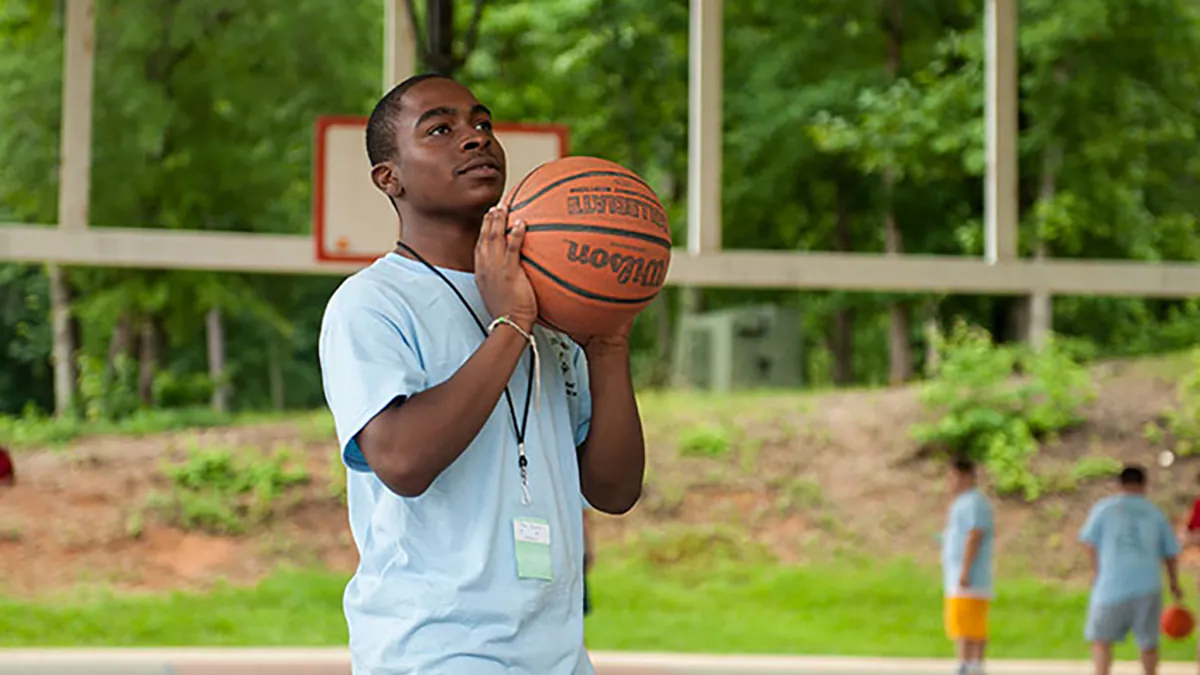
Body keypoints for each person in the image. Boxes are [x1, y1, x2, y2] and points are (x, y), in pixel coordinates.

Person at [318, 72, 646, 675]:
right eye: (439, 128)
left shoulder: (554, 305)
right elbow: (403, 462)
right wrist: (510, 326)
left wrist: (608, 343)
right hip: (436, 651)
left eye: (482, 123)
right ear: (388, 177)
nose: (474, 138)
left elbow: (614, 490)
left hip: (559, 656)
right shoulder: (372, 303)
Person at [1080, 464, 1183, 675]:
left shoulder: (1104, 509)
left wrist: (1095, 570)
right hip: (1147, 585)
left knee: (1101, 640)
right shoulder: (1155, 513)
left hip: (1110, 585)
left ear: (1119, 484)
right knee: (1148, 643)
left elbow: (1089, 543)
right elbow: (1170, 554)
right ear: (1144, 485)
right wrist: (1174, 584)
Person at [941, 457, 995, 675]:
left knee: (969, 621)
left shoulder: (974, 502)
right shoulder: (962, 503)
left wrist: (965, 569)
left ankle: (971, 664)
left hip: (971, 576)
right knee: (961, 620)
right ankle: (966, 662)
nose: (949, 482)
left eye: (952, 477)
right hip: (958, 574)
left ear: (966, 477)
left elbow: (975, 534)